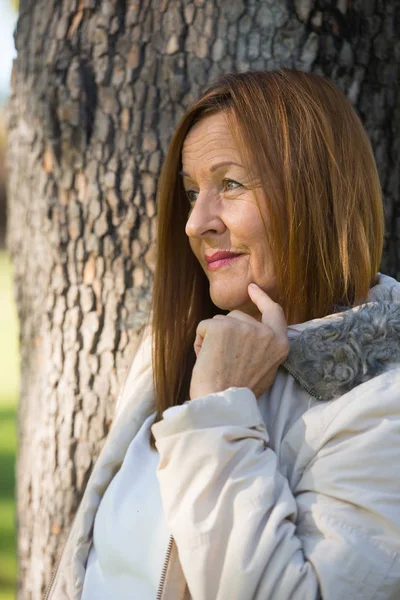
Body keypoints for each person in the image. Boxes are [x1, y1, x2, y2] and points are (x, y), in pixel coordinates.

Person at [45, 69, 400, 600]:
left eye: (229, 184)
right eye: (191, 193)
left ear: (315, 192)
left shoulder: (382, 407)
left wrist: (219, 410)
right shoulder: (172, 352)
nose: (194, 222)